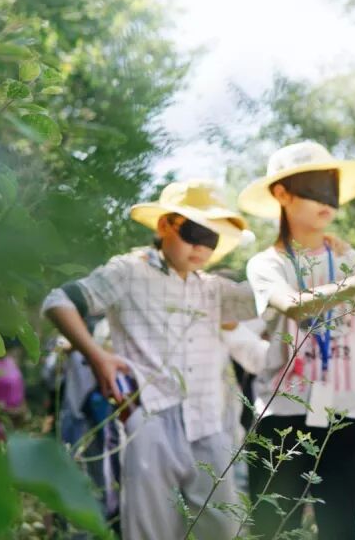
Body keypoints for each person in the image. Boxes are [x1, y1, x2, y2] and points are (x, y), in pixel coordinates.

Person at [41, 180, 254, 540]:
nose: (202, 247)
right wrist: (98, 357)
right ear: (165, 226)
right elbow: (57, 302)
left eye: (212, 238)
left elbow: (274, 299)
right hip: (150, 418)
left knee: (221, 527)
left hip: (208, 421)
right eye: (194, 232)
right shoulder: (128, 271)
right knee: (152, 530)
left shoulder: (211, 287)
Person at [239, 141, 355, 540]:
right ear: (281, 194)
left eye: (331, 187)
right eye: (313, 186)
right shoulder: (268, 264)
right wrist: (351, 285)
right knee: (273, 529)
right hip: (283, 417)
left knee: (341, 531)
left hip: (343, 415)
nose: (327, 200)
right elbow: (291, 305)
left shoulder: (351, 257)